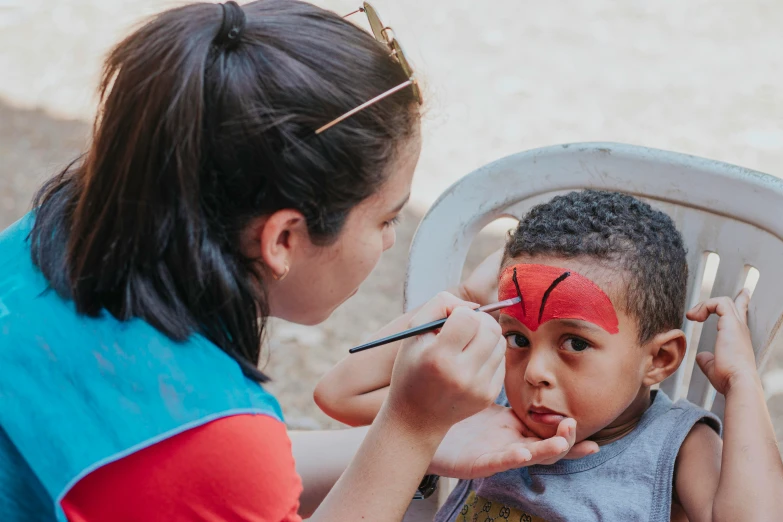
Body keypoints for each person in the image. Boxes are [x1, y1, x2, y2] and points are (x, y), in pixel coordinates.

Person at [0, 2, 593, 521]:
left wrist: (422, 439)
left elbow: (192, 474)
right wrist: (410, 426)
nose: (391, 242)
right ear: (284, 238)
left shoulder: (51, 238)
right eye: (386, 218)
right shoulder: (205, 440)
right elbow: (209, 467)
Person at [316, 190, 783, 521]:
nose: (534, 372)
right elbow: (340, 393)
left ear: (659, 359)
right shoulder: (491, 403)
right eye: (517, 337)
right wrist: (460, 297)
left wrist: (742, 382)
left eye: (575, 344)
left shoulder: (676, 445)